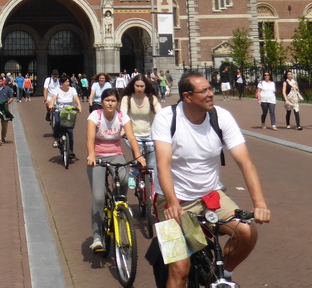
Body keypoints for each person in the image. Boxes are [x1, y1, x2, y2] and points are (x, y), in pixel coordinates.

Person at [153, 73, 271, 287]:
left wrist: (259, 204)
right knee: (179, 269)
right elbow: (163, 165)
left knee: (246, 232)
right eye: (204, 91)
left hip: (210, 195)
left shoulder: (221, 117)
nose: (211, 94)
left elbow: (245, 163)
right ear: (187, 97)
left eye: (210, 88)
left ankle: (220, 274)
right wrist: (172, 202)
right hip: (172, 201)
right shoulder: (166, 118)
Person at [86, 89, 145, 252]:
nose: (110, 103)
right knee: (98, 198)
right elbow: (90, 137)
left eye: (113, 101)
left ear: (117, 103)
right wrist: (91, 154)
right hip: (97, 157)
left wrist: (138, 156)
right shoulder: (95, 116)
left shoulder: (122, 117)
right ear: (102, 102)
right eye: (107, 100)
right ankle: (97, 237)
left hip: (116, 155)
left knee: (124, 180)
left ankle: (120, 209)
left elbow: (131, 137)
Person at [120, 73, 161, 182]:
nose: (139, 88)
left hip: (150, 134)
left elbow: (161, 114)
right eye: (137, 86)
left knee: (152, 164)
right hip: (134, 135)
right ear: (133, 85)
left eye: (142, 86)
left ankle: (151, 187)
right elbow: (122, 115)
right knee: (137, 157)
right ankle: (133, 174)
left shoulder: (152, 99)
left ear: (146, 86)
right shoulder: (127, 99)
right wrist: (123, 129)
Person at [46, 74, 82, 154]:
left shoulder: (72, 90)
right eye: (66, 82)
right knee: (57, 122)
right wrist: (51, 104)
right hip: (59, 110)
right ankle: (56, 138)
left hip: (69, 111)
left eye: (68, 81)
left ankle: (71, 151)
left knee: (70, 131)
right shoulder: (57, 90)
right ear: (61, 83)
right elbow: (54, 98)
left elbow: (76, 98)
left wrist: (79, 105)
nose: (68, 83)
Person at [0, 75, 15, 144]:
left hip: (4, 110)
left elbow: (11, 98)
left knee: (5, 126)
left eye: (0, 81)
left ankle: (3, 137)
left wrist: (7, 103)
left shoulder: (7, 89)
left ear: (3, 81)